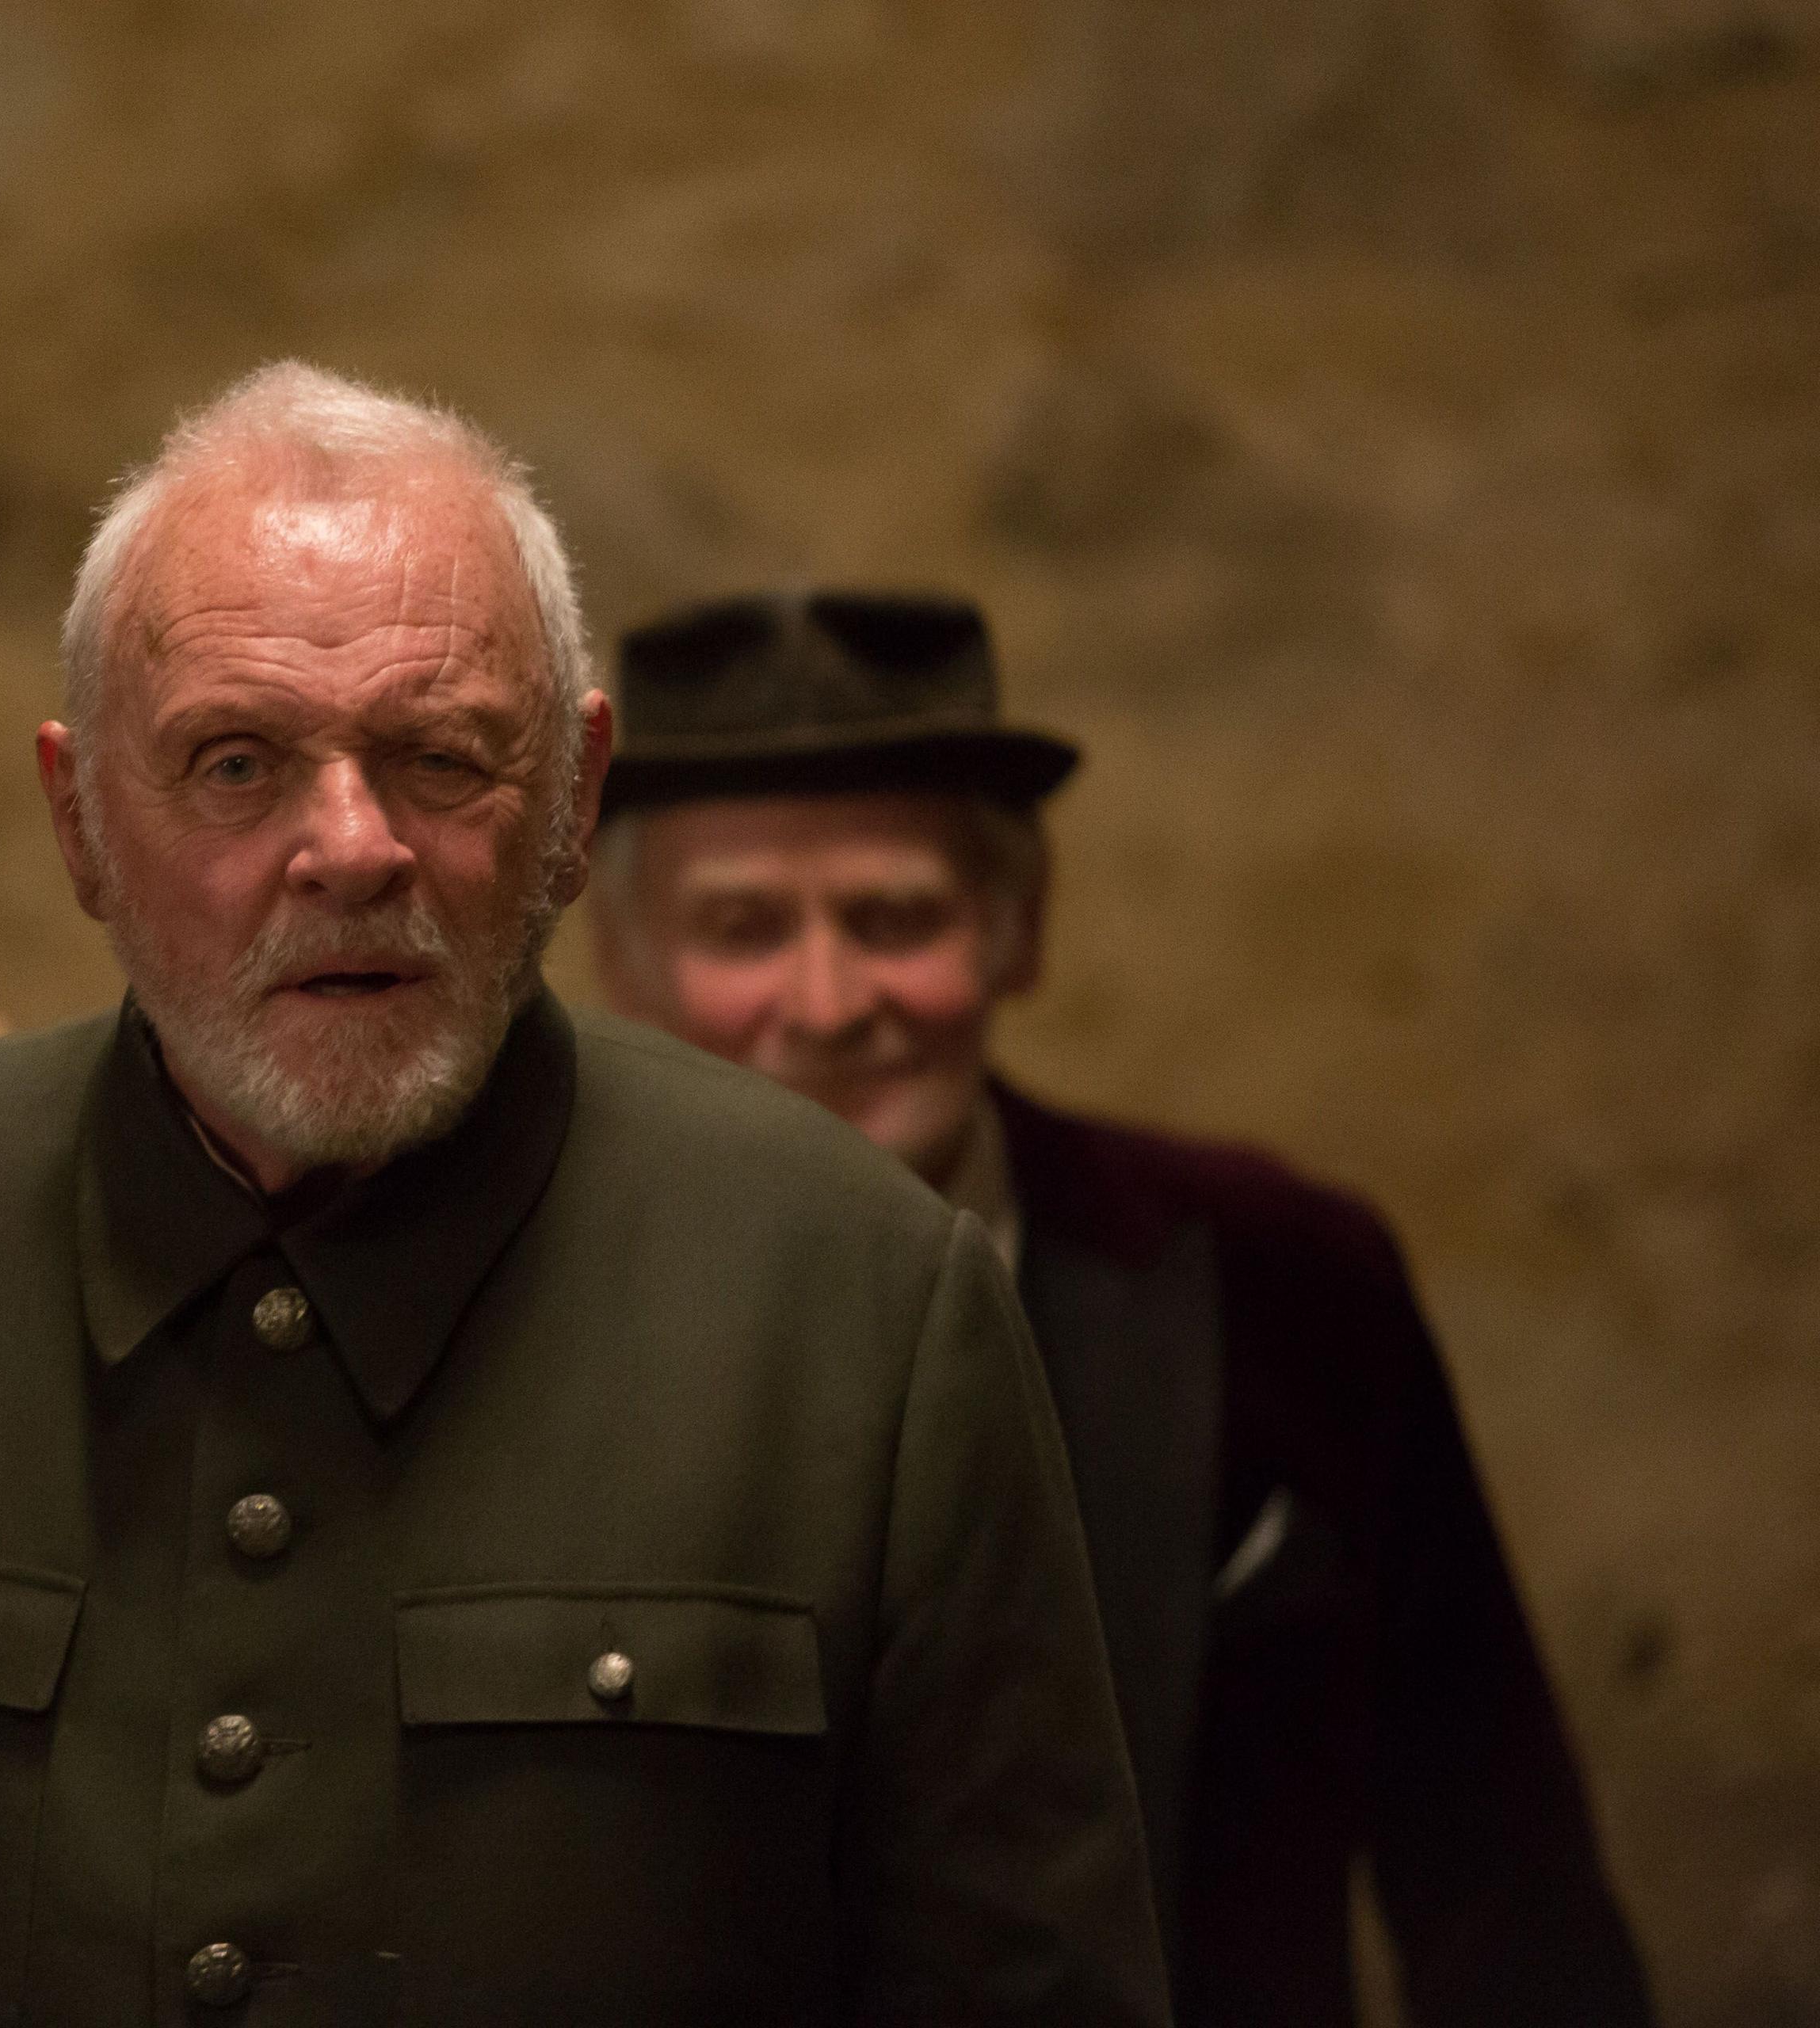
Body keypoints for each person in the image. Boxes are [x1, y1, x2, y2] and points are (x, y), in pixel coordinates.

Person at [0, 364, 1167, 2026]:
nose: (349, 844)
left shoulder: (862, 1303)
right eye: (235, 762)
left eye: (440, 758)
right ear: (80, 817)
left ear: (573, 801)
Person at [589, 588, 1657, 2027]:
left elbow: (1498, 1865)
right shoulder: (533, 1312)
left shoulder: (1290, 1282)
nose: (831, 1000)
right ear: (628, 966)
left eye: (897, 916)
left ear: (1018, 930)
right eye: (743, 927)